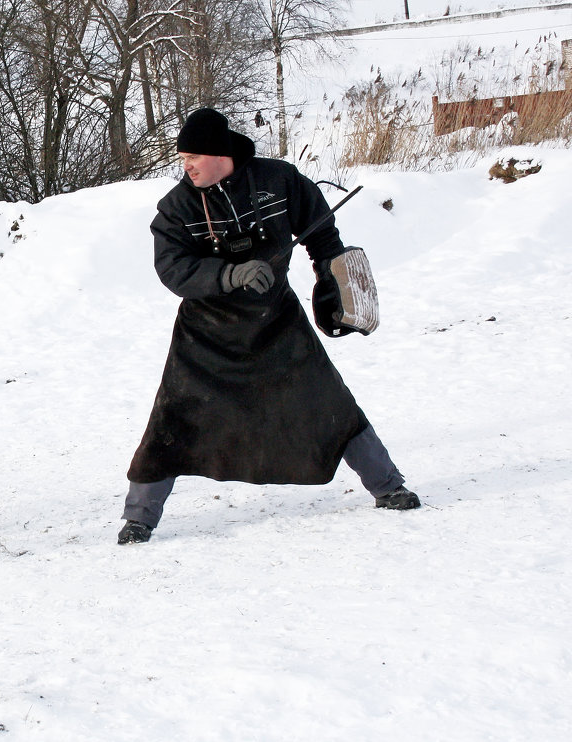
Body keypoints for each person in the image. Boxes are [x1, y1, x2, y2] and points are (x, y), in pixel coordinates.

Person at [118, 107, 420, 546]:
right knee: (171, 422)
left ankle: (389, 486)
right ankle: (138, 518)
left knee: (329, 402)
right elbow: (172, 268)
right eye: (183, 159)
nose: (186, 166)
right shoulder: (177, 207)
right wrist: (227, 275)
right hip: (205, 337)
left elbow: (321, 233)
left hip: (277, 321)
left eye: (192, 157)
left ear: (219, 153)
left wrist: (331, 274)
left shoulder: (279, 180)